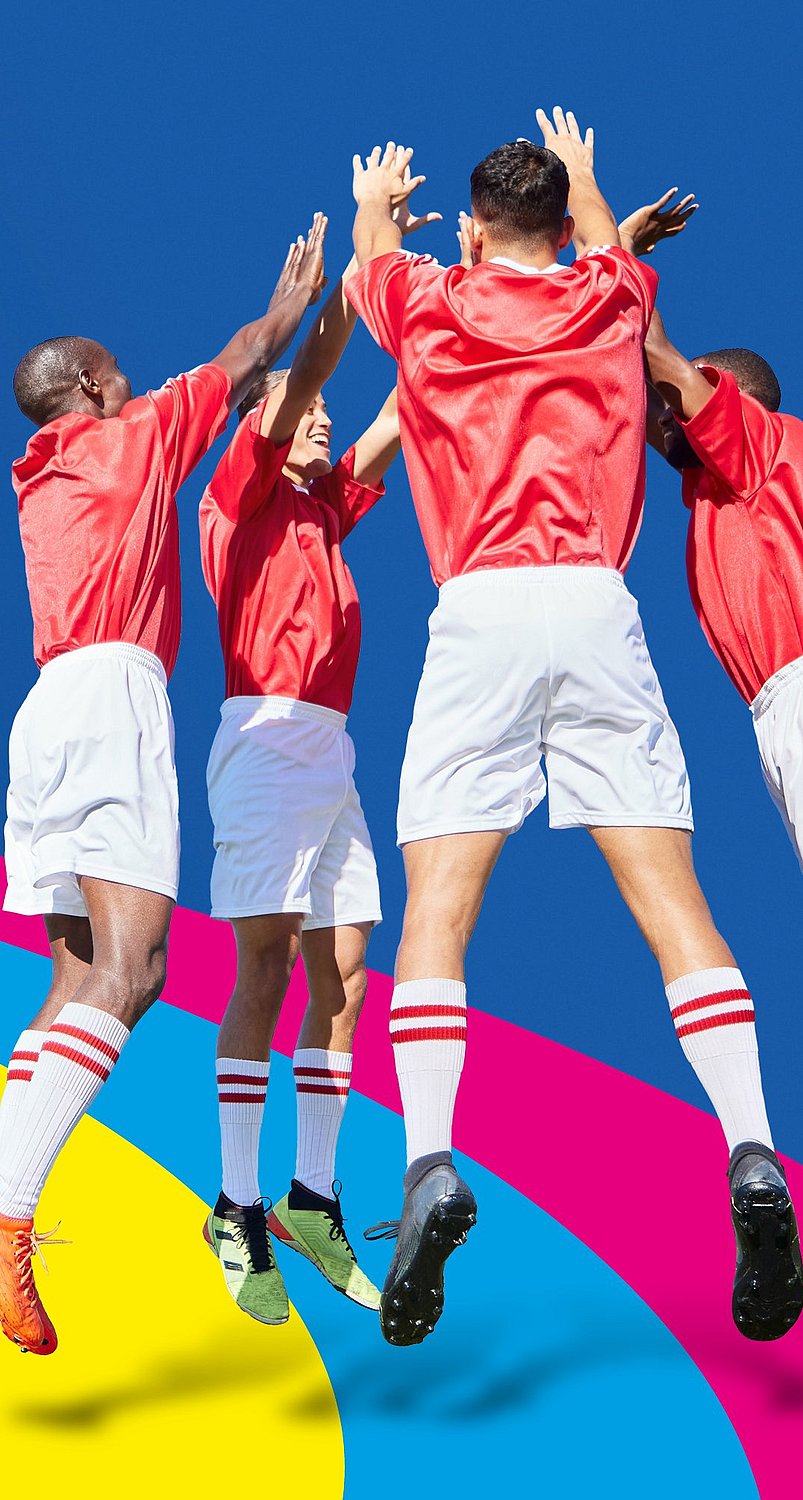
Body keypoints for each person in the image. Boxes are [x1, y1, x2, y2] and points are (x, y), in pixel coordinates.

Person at [345, 117, 803, 1347]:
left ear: (477, 230)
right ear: (562, 227)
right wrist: (594, 186)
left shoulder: (425, 305)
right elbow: (606, 251)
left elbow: (373, 249)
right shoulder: (609, 295)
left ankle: (431, 1160)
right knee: (673, 903)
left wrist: (377, 195)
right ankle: (751, 1147)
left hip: (477, 610)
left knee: (437, 904)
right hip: (597, 609)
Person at [0, 217, 328, 1356]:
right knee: (135, 972)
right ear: (90, 385)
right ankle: (7, 1219)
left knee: (74, 981)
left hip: (40, 720)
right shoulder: (128, 438)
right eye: (119, 372)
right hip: (111, 708)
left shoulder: (36, 474)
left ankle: (11, 1166)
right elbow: (241, 362)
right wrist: (291, 305)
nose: (135, 379)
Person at [198, 201, 438, 1326]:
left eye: (319, 416)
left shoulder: (322, 509)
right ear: (263, 422)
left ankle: (309, 1194)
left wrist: (456, 290)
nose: (320, 421)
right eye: (303, 414)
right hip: (262, 738)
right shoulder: (238, 494)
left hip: (330, 754)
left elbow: (395, 416)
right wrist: (362, 257)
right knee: (264, 968)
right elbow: (317, 369)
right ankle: (234, 1203)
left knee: (344, 970)